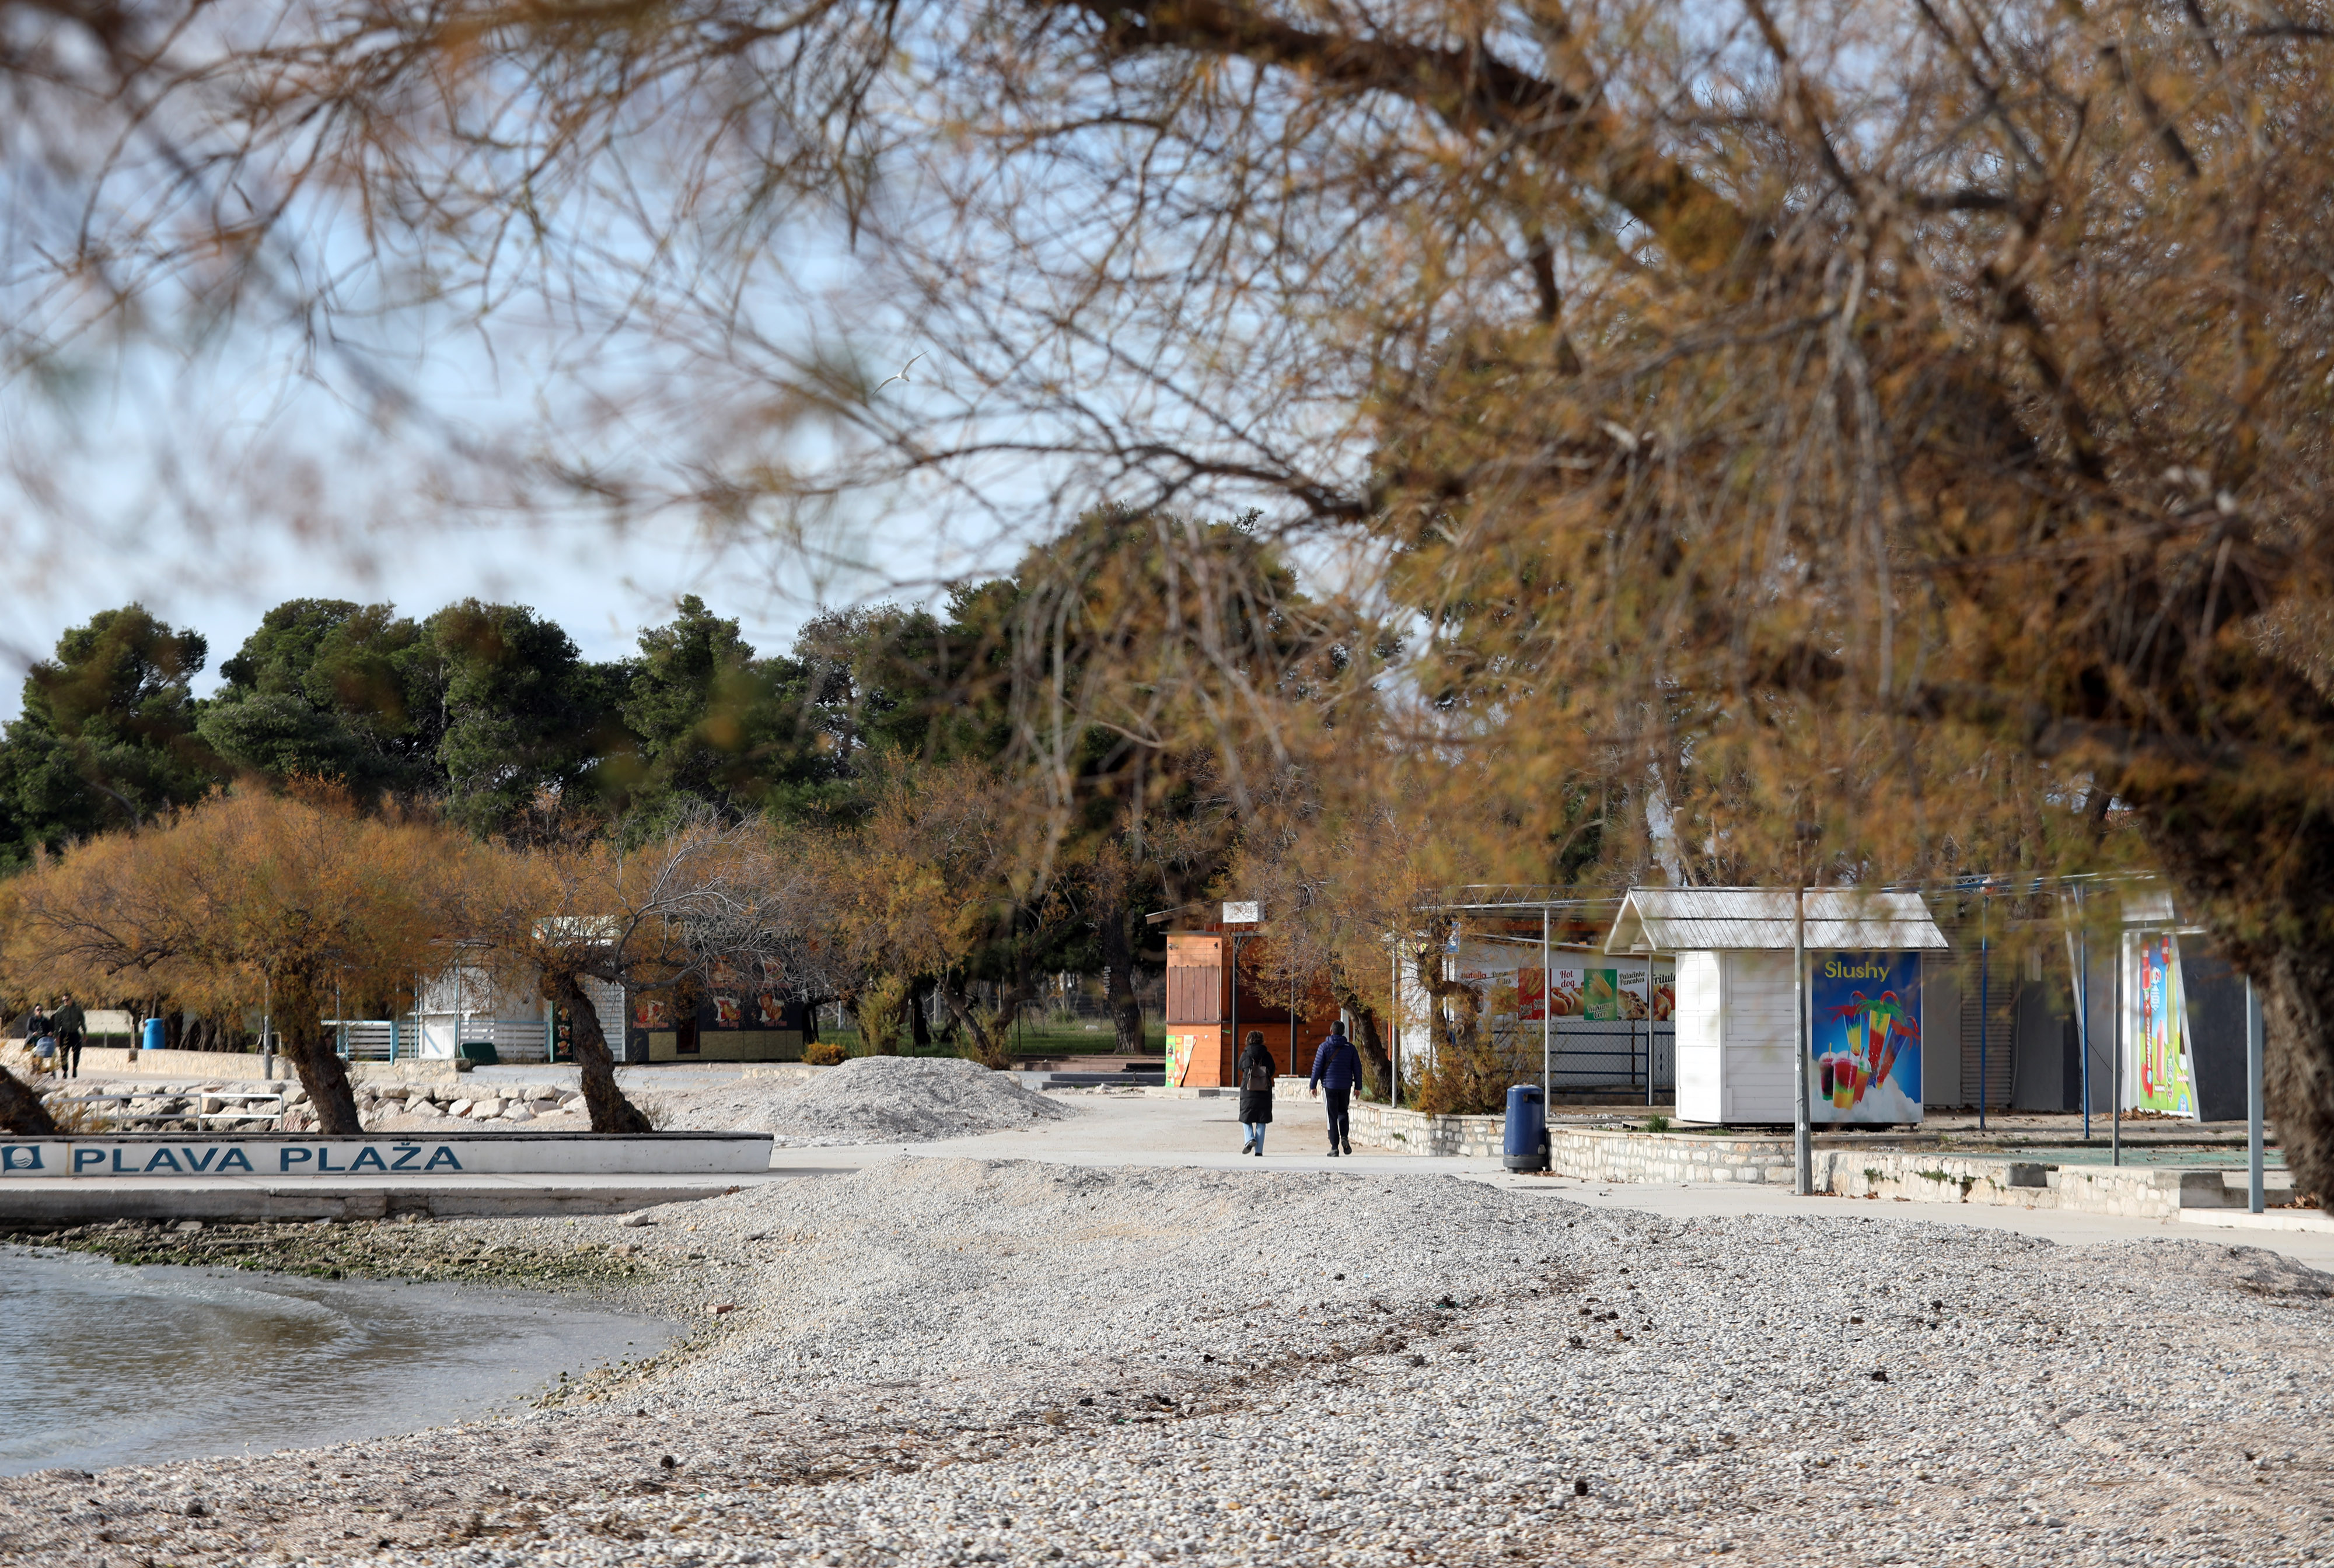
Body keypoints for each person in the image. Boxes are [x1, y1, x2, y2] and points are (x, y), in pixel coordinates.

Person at [1309, 1019, 1361, 1157]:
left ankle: (1334, 1147)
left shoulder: (1324, 1047)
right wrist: (1358, 1087)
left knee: (1331, 1116)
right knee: (1343, 1112)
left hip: (1329, 1086)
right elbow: (1357, 1068)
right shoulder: (1350, 1048)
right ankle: (1344, 1136)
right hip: (1345, 1086)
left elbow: (1317, 1067)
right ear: (1343, 1032)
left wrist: (1313, 1085)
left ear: (1331, 1031)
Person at [1236, 1029, 1276, 1156]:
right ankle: (1259, 1151)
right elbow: (1273, 1070)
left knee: (1246, 1118)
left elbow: (1240, 1067)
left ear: (1248, 1040)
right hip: (1264, 1091)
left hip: (1248, 1092)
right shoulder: (1267, 1055)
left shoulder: (1245, 1055)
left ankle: (1250, 1139)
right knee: (1261, 1121)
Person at [51, 991, 86, 1080]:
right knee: (64, 1053)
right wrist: (57, 1035)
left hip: (75, 1033)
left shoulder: (77, 1009)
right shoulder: (61, 1010)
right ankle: (65, 1071)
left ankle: (75, 1068)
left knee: (77, 1051)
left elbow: (82, 1021)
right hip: (64, 1033)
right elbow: (57, 1023)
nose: (65, 1002)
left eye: (67, 1000)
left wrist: (85, 1033)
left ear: (71, 999)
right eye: (64, 1000)